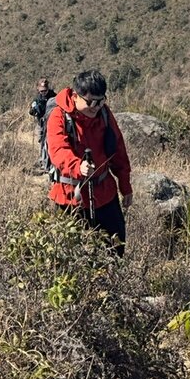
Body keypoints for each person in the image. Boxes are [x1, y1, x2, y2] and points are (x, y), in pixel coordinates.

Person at [45, 69, 132, 252]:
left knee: (116, 249)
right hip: (70, 197)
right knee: (72, 254)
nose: (96, 107)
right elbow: (58, 150)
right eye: (91, 101)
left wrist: (125, 186)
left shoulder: (104, 114)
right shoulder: (59, 116)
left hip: (105, 193)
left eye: (101, 101)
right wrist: (77, 166)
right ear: (76, 96)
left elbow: (118, 149)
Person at [29, 77, 55, 172]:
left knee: (50, 141)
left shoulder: (54, 97)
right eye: (41, 91)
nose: (43, 93)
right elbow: (31, 112)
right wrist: (34, 109)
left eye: (45, 91)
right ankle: (43, 160)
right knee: (41, 141)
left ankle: (50, 161)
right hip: (40, 123)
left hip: (51, 123)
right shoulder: (37, 99)